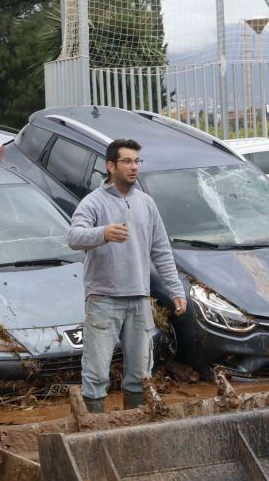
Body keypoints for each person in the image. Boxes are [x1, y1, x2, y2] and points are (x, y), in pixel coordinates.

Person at [68, 138, 187, 412]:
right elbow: (74, 236)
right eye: (127, 161)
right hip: (104, 300)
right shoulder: (93, 203)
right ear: (110, 166)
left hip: (139, 300)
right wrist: (103, 233)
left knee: (140, 375)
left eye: (137, 161)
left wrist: (176, 290)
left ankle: (134, 429)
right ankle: (92, 431)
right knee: (97, 373)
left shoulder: (146, 203)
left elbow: (162, 251)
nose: (134, 167)